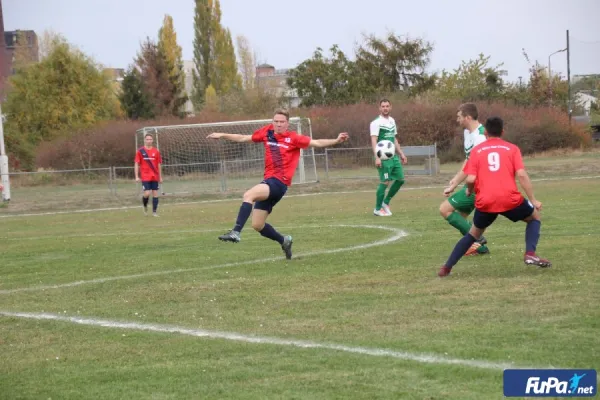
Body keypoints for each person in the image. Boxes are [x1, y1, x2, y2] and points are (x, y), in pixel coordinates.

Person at [207, 108, 349, 259]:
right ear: (272, 122)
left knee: (249, 195)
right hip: (269, 182)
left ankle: (235, 232)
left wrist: (335, 140)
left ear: (287, 124)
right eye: (276, 121)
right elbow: (243, 138)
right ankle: (284, 240)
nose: (279, 124)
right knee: (257, 225)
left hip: (279, 183)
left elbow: (316, 142)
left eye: (282, 122)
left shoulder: (293, 138)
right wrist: (222, 135)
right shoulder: (267, 132)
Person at [438, 117, 551, 277]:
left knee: (473, 234)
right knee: (534, 218)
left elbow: (470, 179)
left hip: (485, 201)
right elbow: (522, 174)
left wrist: (469, 190)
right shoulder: (512, 149)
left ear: (485, 132)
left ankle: (446, 268)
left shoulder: (477, 151)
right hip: (510, 199)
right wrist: (533, 199)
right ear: (502, 132)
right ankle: (530, 253)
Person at [440, 103, 490, 255]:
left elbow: (477, 165)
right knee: (460, 217)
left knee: (445, 209)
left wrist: (462, 184)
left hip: (480, 184)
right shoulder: (468, 133)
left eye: (459, 117)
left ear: (468, 117)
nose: (457, 120)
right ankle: (479, 248)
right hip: (472, 182)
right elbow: (468, 160)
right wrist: (455, 181)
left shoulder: (481, 136)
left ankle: (478, 239)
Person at [371, 98, 408, 216]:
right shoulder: (376, 122)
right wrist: (377, 157)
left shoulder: (392, 121)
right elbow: (373, 140)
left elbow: (394, 139)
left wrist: (401, 153)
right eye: (383, 106)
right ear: (379, 108)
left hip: (393, 156)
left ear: (390, 107)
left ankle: (385, 202)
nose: (385, 108)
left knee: (401, 179)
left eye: (387, 106)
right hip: (383, 158)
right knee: (385, 182)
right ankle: (377, 209)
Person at [134, 133, 163, 217]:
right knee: (147, 193)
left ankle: (154, 212)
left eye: (150, 139)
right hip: (145, 176)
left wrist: (160, 177)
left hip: (154, 176)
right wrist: (136, 176)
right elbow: (136, 163)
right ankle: (145, 205)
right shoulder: (140, 151)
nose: (149, 141)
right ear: (144, 140)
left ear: (152, 140)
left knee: (155, 193)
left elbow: (158, 164)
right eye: (147, 139)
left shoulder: (156, 151)